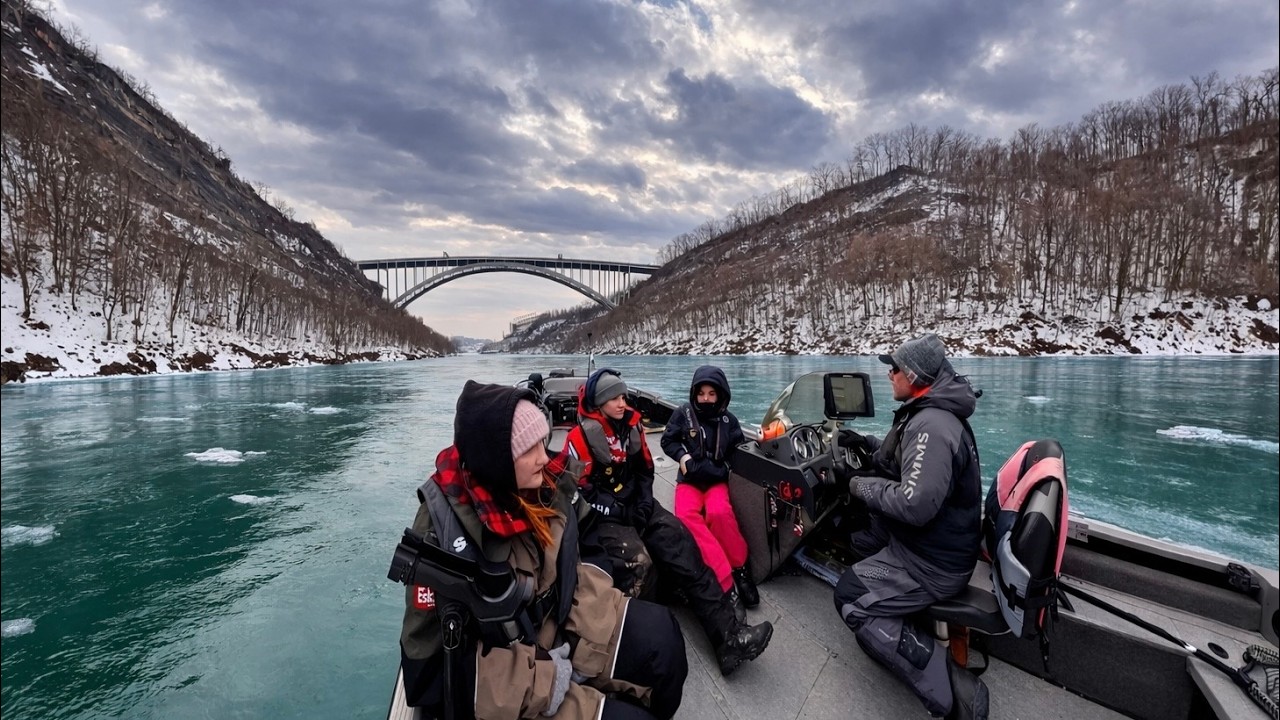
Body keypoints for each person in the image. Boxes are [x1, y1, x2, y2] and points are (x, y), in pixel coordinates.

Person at [398, 380, 688, 720]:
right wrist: (546, 681)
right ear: (496, 461)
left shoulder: (548, 480)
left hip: (569, 614)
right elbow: (429, 673)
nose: (544, 456)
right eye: (528, 449)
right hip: (513, 673)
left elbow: (588, 535)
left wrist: (587, 612)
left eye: (542, 440)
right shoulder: (442, 534)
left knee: (664, 643)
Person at [548, 368, 773, 676]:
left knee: (681, 539)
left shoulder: (632, 427)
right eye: (614, 398)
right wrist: (616, 512)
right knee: (640, 561)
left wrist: (642, 501)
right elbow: (577, 489)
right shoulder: (579, 438)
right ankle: (643, 638)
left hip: (636, 504)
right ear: (599, 403)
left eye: (623, 396)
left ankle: (729, 638)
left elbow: (644, 469)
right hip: (603, 516)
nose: (622, 403)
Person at [831, 334, 990, 720]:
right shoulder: (928, 412)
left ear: (915, 376)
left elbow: (915, 504)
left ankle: (951, 692)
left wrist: (858, 484)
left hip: (930, 562)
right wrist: (867, 444)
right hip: (934, 545)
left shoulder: (932, 425)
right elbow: (904, 461)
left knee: (850, 595)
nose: (889, 374)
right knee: (856, 538)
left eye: (895, 368)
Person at [660, 365, 758, 609]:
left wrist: (724, 468)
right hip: (690, 479)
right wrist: (683, 457)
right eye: (701, 393)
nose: (705, 399)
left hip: (716, 480)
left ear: (720, 395)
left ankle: (740, 568)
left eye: (711, 394)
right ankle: (724, 578)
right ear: (694, 393)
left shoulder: (730, 421)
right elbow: (668, 440)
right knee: (686, 516)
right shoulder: (683, 414)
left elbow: (738, 451)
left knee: (719, 513)